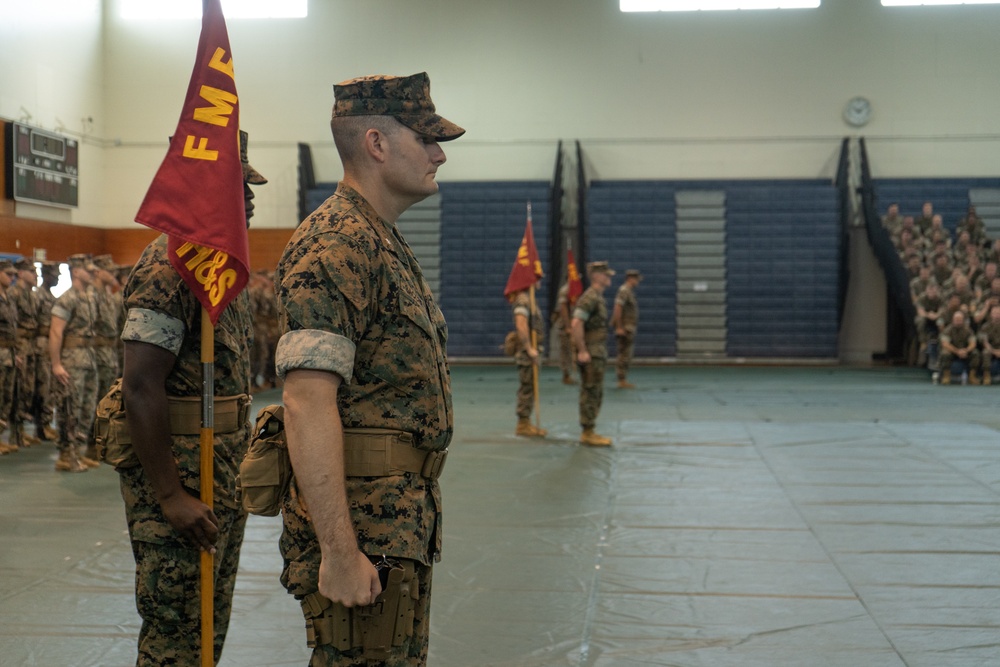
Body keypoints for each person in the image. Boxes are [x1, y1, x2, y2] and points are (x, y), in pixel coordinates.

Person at [274, 72, 462, 666]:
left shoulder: (379, 238)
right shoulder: (337, 242)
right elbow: (306, 402)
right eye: (426, 139)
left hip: (396, 520)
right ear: (377, 144)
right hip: (365, 527)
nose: (439, 154)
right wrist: (337, 550)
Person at [115, 130, 265, 666]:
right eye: (238, 186)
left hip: (221, 474)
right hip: (182, 476)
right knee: (176, 632)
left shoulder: (222, 268)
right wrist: (171, 495)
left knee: (209, 622)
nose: (250, 197)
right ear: (205, 189)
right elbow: (139, 386)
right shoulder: (168, 269)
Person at [49, 254, 98, 472]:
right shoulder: (67, 298)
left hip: (88, 358)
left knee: (87, 407)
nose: (92, 273)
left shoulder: (87, 297)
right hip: (71, 360)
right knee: (70, 407)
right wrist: (56, 364)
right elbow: (55, 332)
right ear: (76, 272)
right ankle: (65, 455)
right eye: (88, 270)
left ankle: (77, 452)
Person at [571, 261, 615, 446]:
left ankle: (590, 429)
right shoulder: (590, 298)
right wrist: (582, 350)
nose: (608, 278)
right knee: (590, 390)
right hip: (591, 351)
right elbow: (576, 324)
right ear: (597, 276)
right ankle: (588, 432)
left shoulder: (597, 297)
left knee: (595, 390)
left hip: (597, 351)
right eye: (606, 275)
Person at [9, 258, 40, 446]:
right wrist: (15, 351)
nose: (35, 275)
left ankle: (20, 431)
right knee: (15, 389)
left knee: (27, 389)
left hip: (30, 345)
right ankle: (14, 433)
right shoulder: (13, 294)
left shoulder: (31, 295)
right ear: (21, 273)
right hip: (18, 345)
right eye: (32, 272)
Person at [509, 286, 547, 437]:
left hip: (531, 350)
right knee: (527, 387)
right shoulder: (523, 300)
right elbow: (521, 324)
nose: (539, 280)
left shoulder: (529, 299)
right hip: (527, 352)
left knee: (530, 386)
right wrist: (529, 348)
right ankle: (523, 424)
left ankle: (526, 421)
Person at [33, 261, 60, 441]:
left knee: (49, 387)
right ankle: (41, 426)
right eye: (55, 275)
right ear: (46, 275)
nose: (58, 277)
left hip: (49, 343)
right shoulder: (38, 296)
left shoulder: (53, 297)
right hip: (40, 344)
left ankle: (46, 423)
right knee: (41, 387)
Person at [0, 260, 19, 455]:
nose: (12, 278)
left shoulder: (9, 298)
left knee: (6, 397)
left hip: (9, 354)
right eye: (8, 274)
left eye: (14, 275)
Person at [611, 268, 642, 389]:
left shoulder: (628, 291)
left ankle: (623, 378)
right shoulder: (624, 291)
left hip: (628, 327)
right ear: (630, 279)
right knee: (624, 354)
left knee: (626, 354)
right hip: (625, 328)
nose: (638, 282)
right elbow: (618, 308)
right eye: (636, 279)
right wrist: (619, 327)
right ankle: (621, 379)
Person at [938, 310, 980, 385]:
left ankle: (972, 376)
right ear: (953, 320)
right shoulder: (948, 330)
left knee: (975, 353)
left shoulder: (968, 330)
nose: (958, 322)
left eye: (960, 320)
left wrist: (966, 350)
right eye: (956, 320)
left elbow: (973, 343)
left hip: (965, 352)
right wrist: (957, 351)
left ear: (963, 320)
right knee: (945, 353)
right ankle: (946, 376)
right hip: (952, 352)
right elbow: (945, 344)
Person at [552, 281, 576, 385]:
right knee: (565, 351)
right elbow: (563, 308)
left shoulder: (576, 288)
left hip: (573, 324)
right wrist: (567, 326)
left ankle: (570, 374)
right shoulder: (565, 290)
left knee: (571, 351)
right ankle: (566, 375)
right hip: (564, 326)